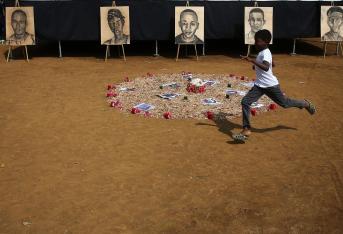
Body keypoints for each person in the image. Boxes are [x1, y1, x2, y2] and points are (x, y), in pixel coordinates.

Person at [234, 29, 316, 142]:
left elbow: (266, 67)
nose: (255, 43)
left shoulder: (266, 52)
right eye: (255, 40)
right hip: (259, 86)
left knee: (285, 104)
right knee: (245, 102)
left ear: (266, 41)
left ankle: (305, 103)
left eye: (258, 41)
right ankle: (246, 129)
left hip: (270, 86)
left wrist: (252, 61)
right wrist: (257, 65)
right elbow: (268, 65)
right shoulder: (262, 53)